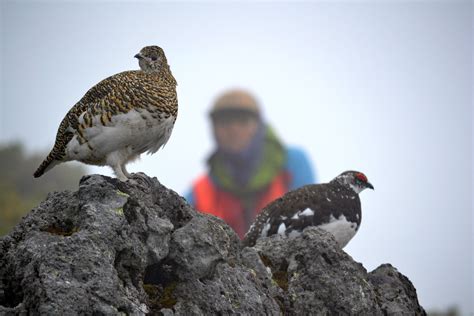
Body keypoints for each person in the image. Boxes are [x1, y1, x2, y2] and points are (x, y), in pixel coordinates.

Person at [185, 89, 317, 238]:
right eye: (224, 121)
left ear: (258, 125)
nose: (233, 129)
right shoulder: (202, 191)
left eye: (242, 120)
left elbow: (309, 226)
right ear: (213, 129)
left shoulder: (292, 164)